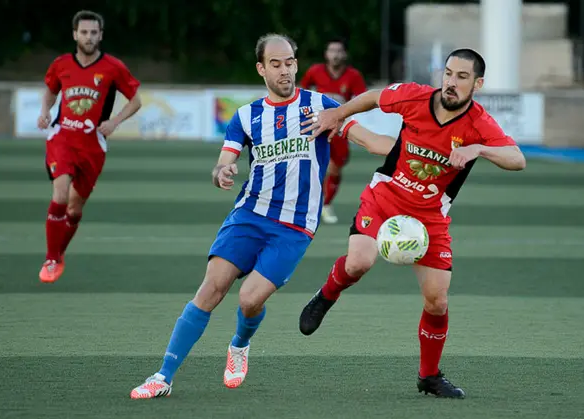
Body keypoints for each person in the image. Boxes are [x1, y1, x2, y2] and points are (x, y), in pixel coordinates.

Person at [129, 33, 389, 399]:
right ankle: (163, 376)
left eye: (290, 63)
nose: (285, 71)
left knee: (249, 301)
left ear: (297, 64)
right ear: (261, 68)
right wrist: (222, 172)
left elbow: (371, 140)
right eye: (276, 64)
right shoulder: (246, 116)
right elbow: (225, 160)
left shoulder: (322, 106)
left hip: (294, 227)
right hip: (249, 214)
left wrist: (415, 151)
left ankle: (239, 344)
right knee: (211, 288)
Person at [298, 48, 527, 398]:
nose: (451, 82)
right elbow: (374, 97)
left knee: (437, 300)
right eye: (448, 73)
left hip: (431, 216)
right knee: (359, 261)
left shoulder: (479, 123)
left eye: (462, 77)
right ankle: (325, 296)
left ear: (478, 84)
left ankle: (429, 376)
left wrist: (479, 150)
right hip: (385, 197)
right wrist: (339, 114)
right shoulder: (415, 96)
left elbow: (517, 159)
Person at [37, 10, 142, 283]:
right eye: (84, 32)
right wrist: (44, 112)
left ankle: (59, 254)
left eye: (94, 32)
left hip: (92, 146)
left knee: (74, 209)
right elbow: (50, 89)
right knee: (60, 194)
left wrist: (115, 121)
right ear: (75, 34)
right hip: (62, 138)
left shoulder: (113, 67)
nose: (89, 37)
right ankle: (50, 259)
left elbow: (135, 100)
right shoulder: (61, 64)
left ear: (101, 35)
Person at [300, 38, 367, 224]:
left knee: (336, 169)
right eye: (331, 50)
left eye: (339, 51)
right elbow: (300, 92)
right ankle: (313, 205)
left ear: (344, 54)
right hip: (316, 126)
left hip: (339, 129)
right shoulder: (315, 71)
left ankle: (326, 203)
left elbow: (362, 99)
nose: (335, 54)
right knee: (316, 167)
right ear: (326, 54)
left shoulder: (353, 76)